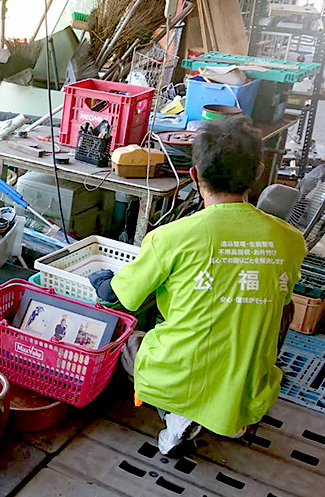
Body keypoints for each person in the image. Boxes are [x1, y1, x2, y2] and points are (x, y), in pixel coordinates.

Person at [90, 116, 305, 454]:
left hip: (177, 376)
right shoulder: (290, 240)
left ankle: (175, 412)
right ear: (259, 172)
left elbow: (120, 298)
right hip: (251, 389)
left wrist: (101, 280)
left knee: (124, 340)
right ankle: (230, 409)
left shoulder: (170, 238)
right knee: (280, 307)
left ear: (194, 175)